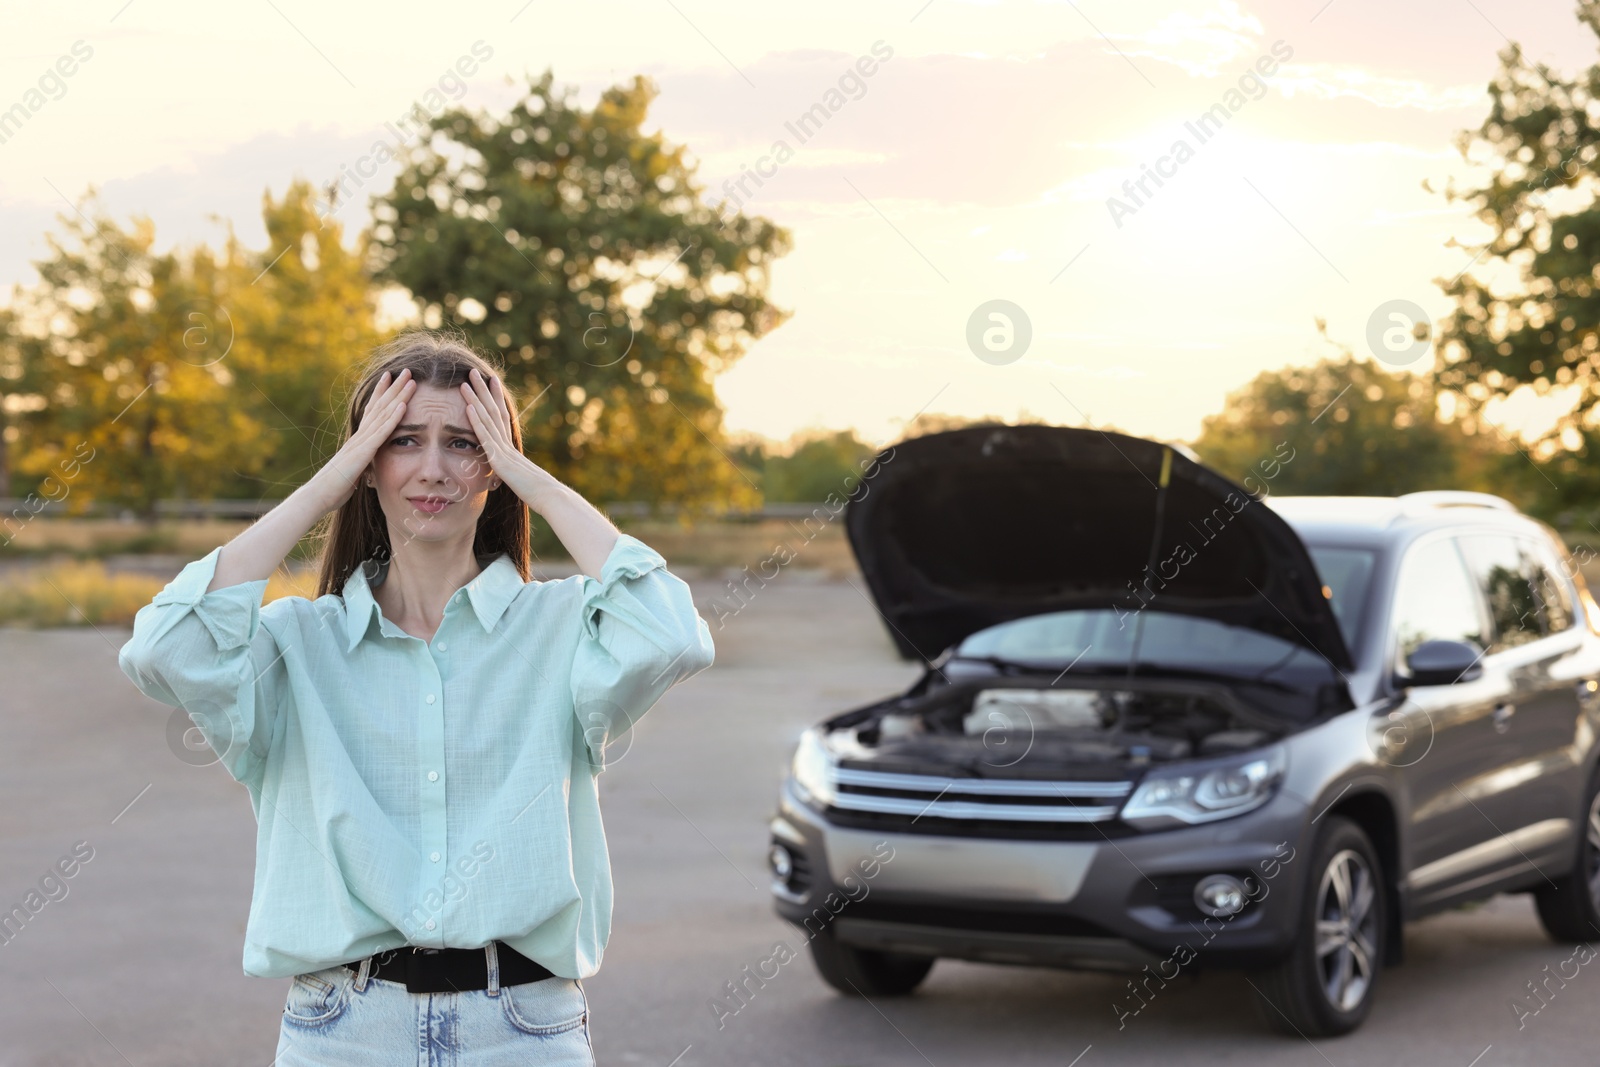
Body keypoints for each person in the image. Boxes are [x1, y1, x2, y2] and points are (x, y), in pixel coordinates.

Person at [117, 330, 715, 1065]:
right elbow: (163, 647)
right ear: (369, 461)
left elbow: (673, 636)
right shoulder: (296, 643)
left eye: (464, 444)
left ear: (494, 464)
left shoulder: (561, 627)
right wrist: (328, 480)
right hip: (340, 1034)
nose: (433, 470)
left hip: (524, 1032)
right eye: (403, 441)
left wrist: (535, 478)